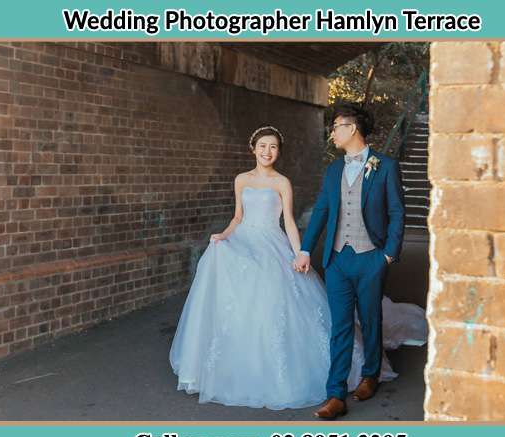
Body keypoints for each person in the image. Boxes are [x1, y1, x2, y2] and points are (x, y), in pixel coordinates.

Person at [169, 126, 395, 411]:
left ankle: (346, 372)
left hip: (272, 242)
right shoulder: (241, 179)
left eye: (273, 147)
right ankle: (238, 367)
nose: (267, 151)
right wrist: (223, 235)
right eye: (262, 146)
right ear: (253, 148)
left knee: (277, 300)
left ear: (278, 152)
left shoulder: (282, 182)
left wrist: (300, 251)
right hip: (244, 240)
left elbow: (288, 220)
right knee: (237, 299)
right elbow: (238, 216)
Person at [294, 103, 405, 420]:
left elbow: (397, 213)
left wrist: (387, 254)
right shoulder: (332, 171)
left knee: (370, 319)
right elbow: (322, 212)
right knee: (339, 327)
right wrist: (305, 249)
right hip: (337, 260)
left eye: (337, 126)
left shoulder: (384, 166)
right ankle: (336, 394)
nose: (333, 132)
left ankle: (371, 375)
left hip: (371, 256)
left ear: (352, 128)